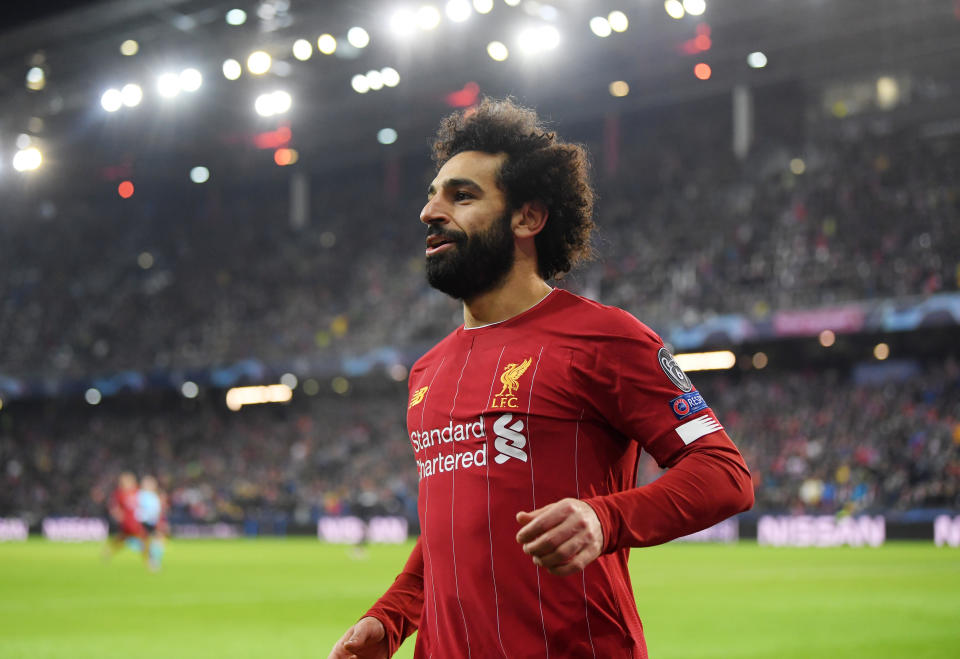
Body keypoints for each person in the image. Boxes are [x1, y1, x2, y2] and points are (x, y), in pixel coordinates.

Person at [328, 98, 754, 659]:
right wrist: (390, 618)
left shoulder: (606, 337)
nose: (430, 212)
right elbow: (451, 537)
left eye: (461, 195)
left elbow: (725, 474)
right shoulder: (426, 372)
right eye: (431, 195)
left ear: (528, 218)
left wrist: (605, 520)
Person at [103, 471, 148, 562]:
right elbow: (114, 506)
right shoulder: (120, 493)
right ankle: (149, 562)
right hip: (129, 521)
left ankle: (108, 552)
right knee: (144, 539)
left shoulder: (136, 491)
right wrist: (118, 514)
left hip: (134, 520)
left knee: (122, 539)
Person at [136, 475, 166, 571]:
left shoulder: (154, 495)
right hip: (144, 521)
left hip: (153, 521)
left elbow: (157, 510)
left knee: (158, 540)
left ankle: (153, 560)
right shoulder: (140, 495)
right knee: (148, 542)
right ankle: (151, 561)